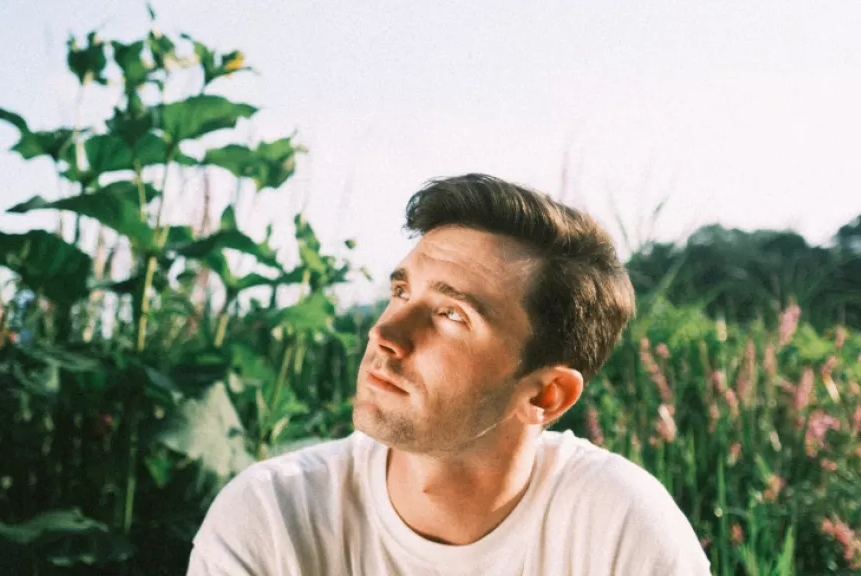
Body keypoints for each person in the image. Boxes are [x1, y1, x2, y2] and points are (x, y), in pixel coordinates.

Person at [186, 174, 710, 575]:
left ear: (547, 394)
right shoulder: (272, 517)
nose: (385, 334)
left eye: (451, 315)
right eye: (401, 292)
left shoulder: (620, 532)